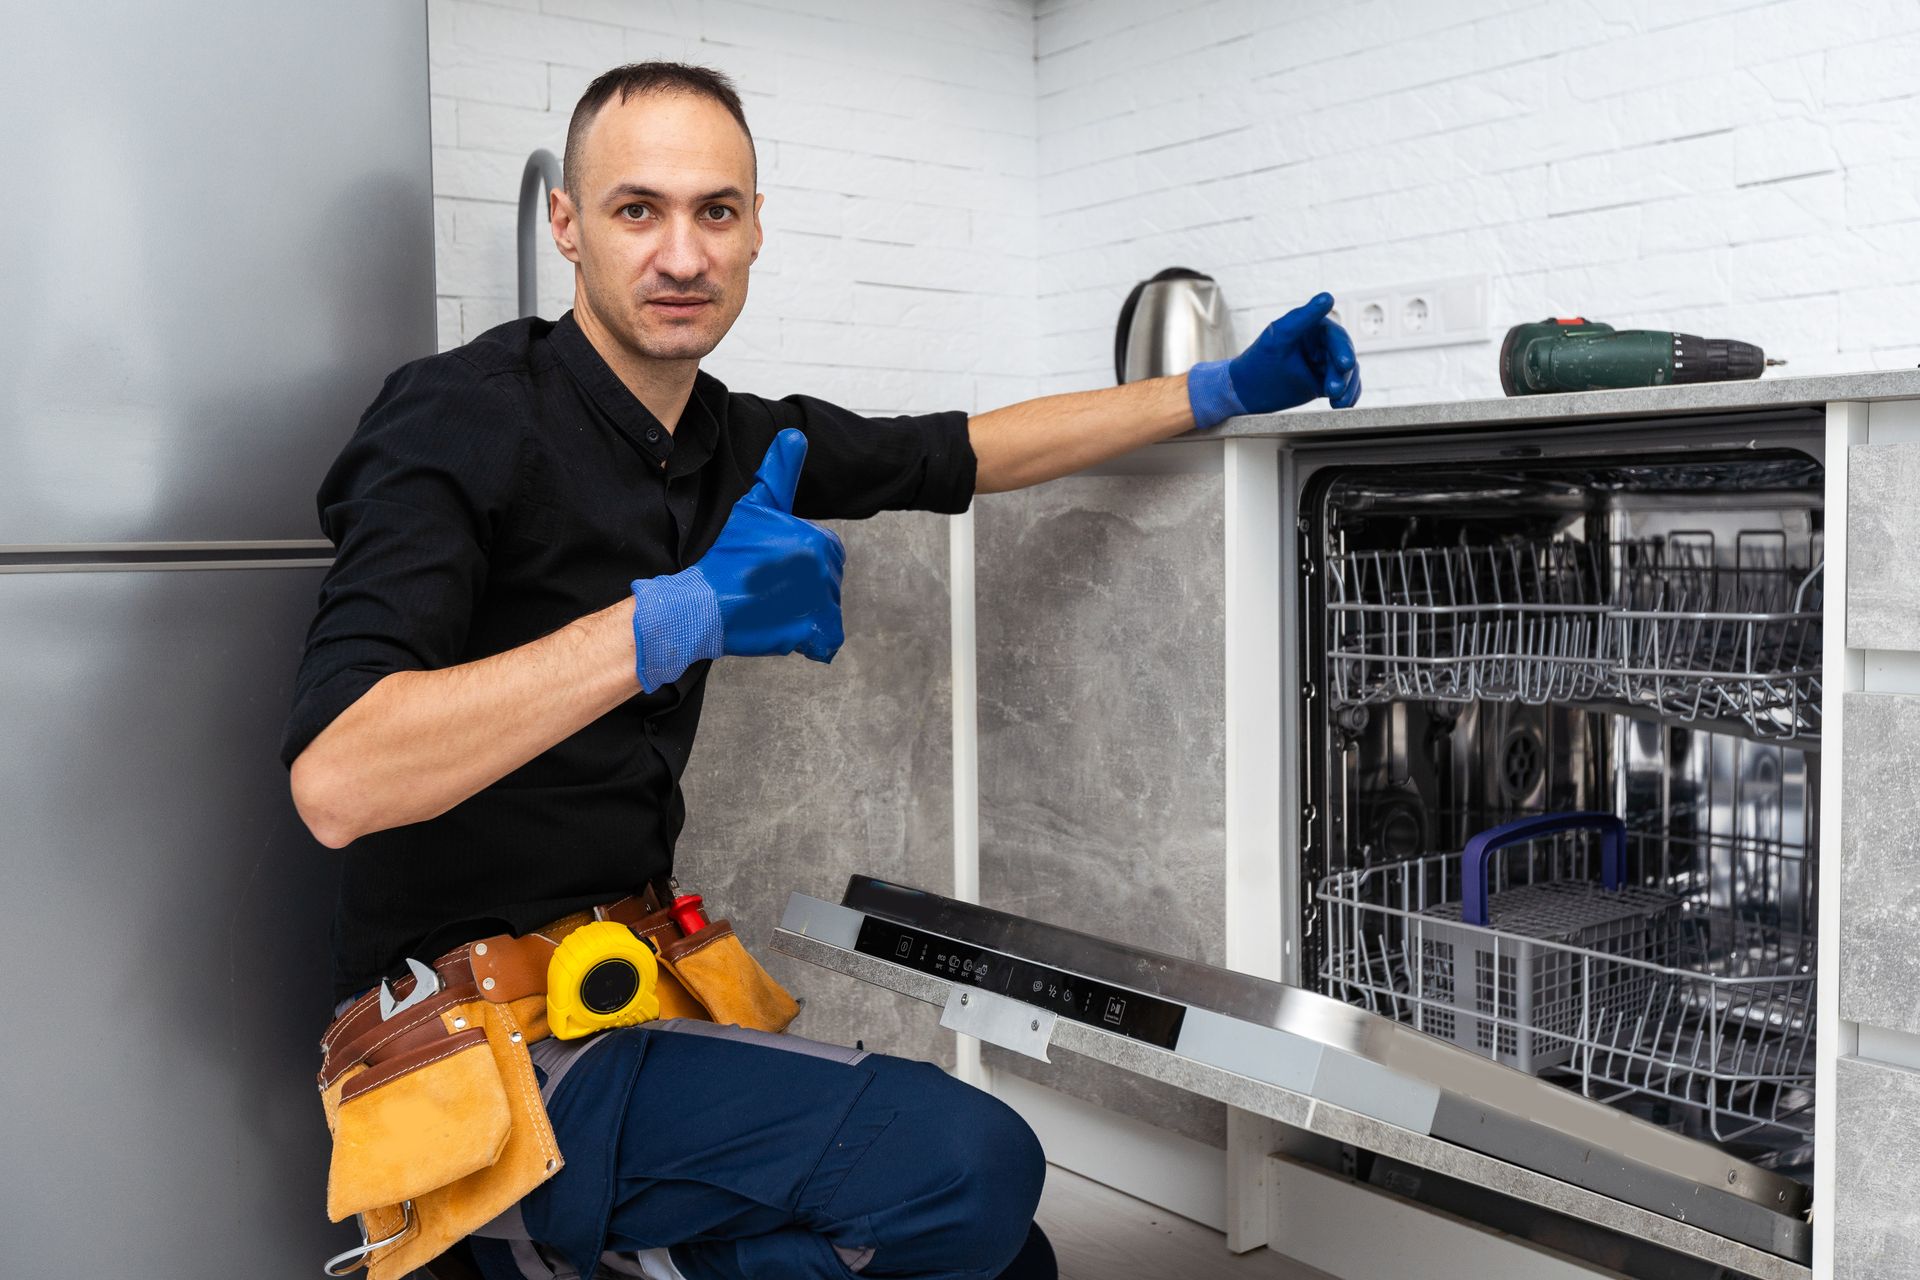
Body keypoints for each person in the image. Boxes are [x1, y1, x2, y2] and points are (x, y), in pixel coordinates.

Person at [284, 61, 1359, 1280]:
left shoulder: (733, 441)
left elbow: (963, 450)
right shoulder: (456, 418)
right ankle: (506, 1253)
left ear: (754, 233)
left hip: (619, 1002)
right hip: (467, 1051)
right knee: (973, 1164)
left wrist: (1215, 391)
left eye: (717, 212)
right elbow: (341, 778)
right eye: (639, 210)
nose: (682, 254)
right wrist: (672, 617)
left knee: (1014, 1263)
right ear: (568, 227)